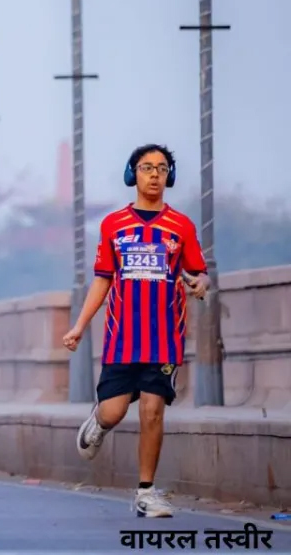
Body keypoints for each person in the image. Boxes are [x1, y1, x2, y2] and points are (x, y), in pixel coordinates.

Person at [62, 144, 209, 519]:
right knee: (113, 413)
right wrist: (79, 326)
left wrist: (200, 284)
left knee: (153, 411)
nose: (155, 174)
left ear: (169, 176)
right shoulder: (113, 225)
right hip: (122, 337)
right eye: (147, 167)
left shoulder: (181, 226)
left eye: (162, 168)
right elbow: (102, 280)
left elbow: (199, 272)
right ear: (133, 174)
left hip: (165, 338)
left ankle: (146, 493)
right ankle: (99, 420)